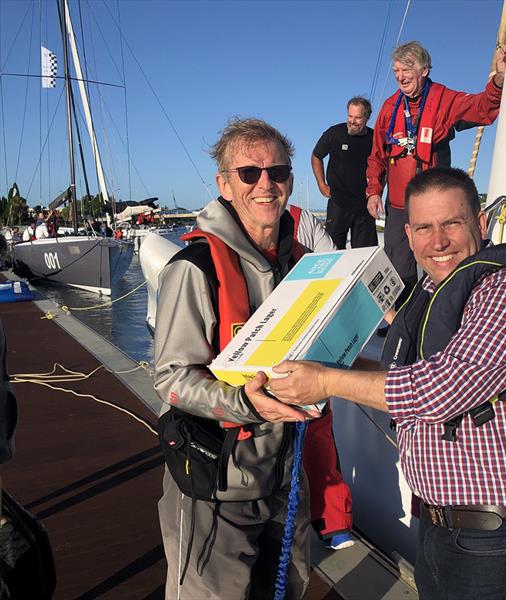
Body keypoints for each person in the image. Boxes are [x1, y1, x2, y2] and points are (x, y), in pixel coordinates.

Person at [271, 167, 506, 599]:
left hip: (492, 537)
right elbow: (406, 372)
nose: (437, 241)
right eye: (424, 227)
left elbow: (444, 387)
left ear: (481, 224)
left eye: (452, 223)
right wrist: (321, 365)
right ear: (408, 233)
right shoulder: (434, 289)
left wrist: (327, 381)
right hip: (440, 529)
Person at [154, 117, 352, 599]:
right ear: (224, 184)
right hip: (217, 487)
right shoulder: (193, 269)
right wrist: (246, 402)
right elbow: (171, 380)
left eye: (278, 172)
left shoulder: (305, 268)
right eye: (249, 173)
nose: (266, 184)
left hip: (286, 481)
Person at [365, 41, 506, 311]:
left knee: (443, 258)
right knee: (399, 266)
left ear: (425, 70)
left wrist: (500, 80)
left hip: (434, 207)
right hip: (399, 206)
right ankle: (401, 321)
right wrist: (374, 191)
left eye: (407, 68)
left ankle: (449, 312)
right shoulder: (388, 108)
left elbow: (482, 107)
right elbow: (377, 156)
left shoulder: (444, 99)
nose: (400, 75)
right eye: (396, 69)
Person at [312, 97, 377, 249]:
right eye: (350, 116)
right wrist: (321, 184)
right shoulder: (334, 133)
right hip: (338, 203)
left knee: (365, 252)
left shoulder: (374, 139)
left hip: (365, 206)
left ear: (367, 117)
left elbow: (384, 166)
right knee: (333, 250)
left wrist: (377, 191)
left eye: (358, 117)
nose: (352, 121)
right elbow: (316, 156)